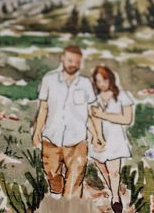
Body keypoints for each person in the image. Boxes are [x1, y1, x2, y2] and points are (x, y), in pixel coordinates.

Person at [32, 44, 104, 198]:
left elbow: (92, 113)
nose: (73, 65)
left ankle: (69, 212)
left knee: (75, 182)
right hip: (51, 137)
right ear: (63, 59)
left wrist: (98, 136)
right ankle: (56, 191)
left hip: (77, 140)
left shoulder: (85, 84)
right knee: (52, 174)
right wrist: (37, 131)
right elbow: (43, 108)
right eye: (70, 60)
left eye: (77, 62)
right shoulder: (49, 80)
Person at [88, 65, 134, 213]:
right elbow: (91, 117)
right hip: (97, 136)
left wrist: (103, 115)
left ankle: (115, 198)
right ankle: (114, 190)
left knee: (114, 172)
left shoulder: (122, 95)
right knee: (103, 169)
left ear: (111, 79)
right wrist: (96, 137)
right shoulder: (94, 97)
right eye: (98, 81)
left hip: (115, 137)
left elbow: (127, 119)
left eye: (104, 80)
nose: (102, 84)